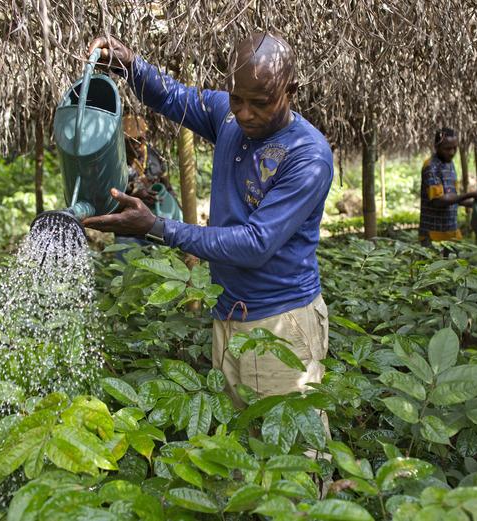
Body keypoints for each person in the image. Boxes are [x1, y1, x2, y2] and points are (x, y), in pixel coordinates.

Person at [84, 33, 334, 411]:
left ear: (291, 90)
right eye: (237, 99)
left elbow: (254, 244)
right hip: (229, 311)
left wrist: (156, 227)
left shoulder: (307, 156)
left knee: (292, 456)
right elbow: (173, 96)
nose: (245, 113)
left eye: (260, 102)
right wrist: (131, 65)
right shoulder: (230, 117)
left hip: (280, 322)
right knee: (238, 447)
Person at [114, 115, 175, 258]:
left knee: (160, 271)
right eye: (131, 141)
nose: (136, 144)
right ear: (122, 141)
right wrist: (135, 197)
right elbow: (109, 204)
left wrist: (176, 208)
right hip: (127, 232)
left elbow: (168, 186)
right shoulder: (115, 164)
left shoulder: (155, 156)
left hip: (156, 225)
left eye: (139, 139)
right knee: (128, 276)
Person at [419, 128, 477, 246]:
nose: (452, 152)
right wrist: (470, 194)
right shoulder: (431, 167)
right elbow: (438, 200)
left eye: (455, 148)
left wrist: (474, 202)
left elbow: (454, 198)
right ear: (436, 146)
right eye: (447, 148)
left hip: (451, 232)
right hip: (433, 235)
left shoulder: (450, 164)